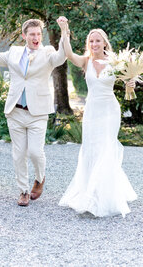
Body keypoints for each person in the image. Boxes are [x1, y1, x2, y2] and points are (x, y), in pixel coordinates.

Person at [0, 18, 66, 206]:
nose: (36, 38)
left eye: (39, 34)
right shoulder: (14, 52)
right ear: (24, 36)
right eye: (32, 34)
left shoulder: (48, 52)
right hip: (15, 112)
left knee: (35, 152)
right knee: (19, 154)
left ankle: (40, 178)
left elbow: (61, 57)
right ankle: (23, 191)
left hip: (37, 113)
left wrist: (64, 30)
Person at [57, 17, 137, 218]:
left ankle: (102, 194)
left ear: (104, 43)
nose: (94, 44)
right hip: (92, 110)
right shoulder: (86, 61)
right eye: (91, 41)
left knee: (107, 146)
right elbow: (67, 53)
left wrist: (131, 84)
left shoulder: (115, 61)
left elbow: (129, 84)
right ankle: (90, 190)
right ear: (88, 44)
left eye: (98, 40)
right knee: (92, 148)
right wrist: (65, 30)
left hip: (110, 110)